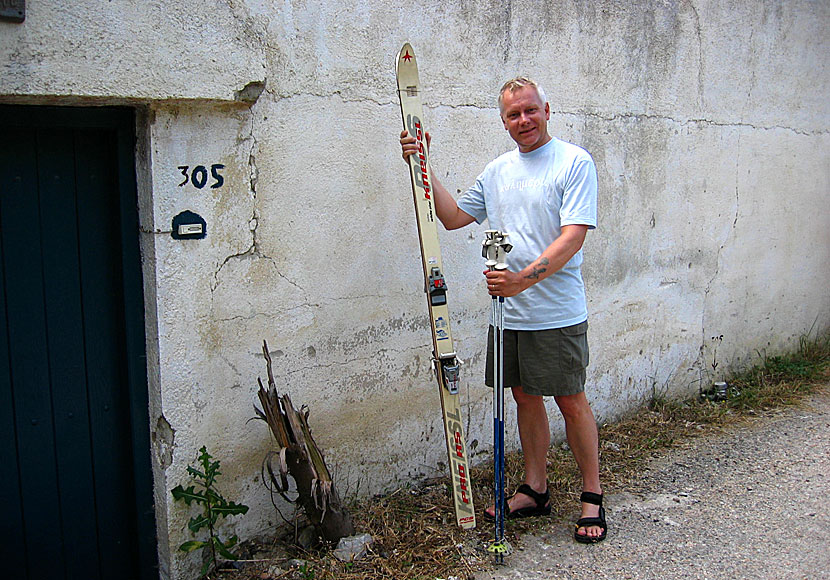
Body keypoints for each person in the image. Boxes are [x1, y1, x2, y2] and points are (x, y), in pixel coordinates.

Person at [399, 77, 606, 543]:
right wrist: (422, 163)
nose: (524, 121)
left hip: (556, 312)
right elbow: (452, 217)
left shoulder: (574, 162)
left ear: (547, 110)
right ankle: (536, 488)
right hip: (508, 314)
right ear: (504, 121)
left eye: (530, 110)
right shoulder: (497, 172)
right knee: (524, 398)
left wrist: (521, 280)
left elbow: (573, 237)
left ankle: (592, 496)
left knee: (570, 401)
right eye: (513, 115)